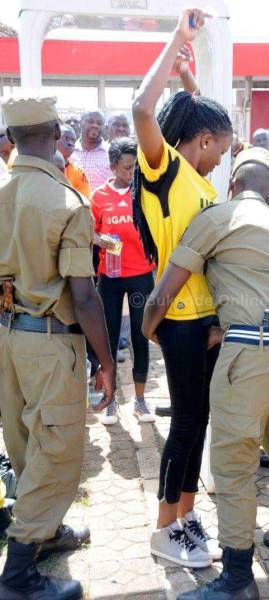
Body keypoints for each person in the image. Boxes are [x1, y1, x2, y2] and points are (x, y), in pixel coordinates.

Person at [142, 147, 269, 599]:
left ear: (233, 183)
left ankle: (237, 578)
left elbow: (167, 290)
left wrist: (148, 328)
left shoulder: (218, 218)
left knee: (234, 461)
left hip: (254, 355)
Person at [0, 93, 116, 600]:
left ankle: (43, 534)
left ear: (13, 138)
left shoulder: (3, 186)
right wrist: (106, 362)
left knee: (24, 440)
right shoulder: (66, 201)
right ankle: (18, 575)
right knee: (58, 449)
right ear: (53, 135)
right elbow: (84, 296)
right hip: (48, 341)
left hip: (6, 334)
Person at [133, 8, 233, 568]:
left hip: (204, 319)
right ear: (201, 141)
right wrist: (178, 40)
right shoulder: (163, 170)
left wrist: (191, 78)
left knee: (197, 421)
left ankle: (186, 516)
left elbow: (190, 114)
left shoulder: (194, 176)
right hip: (180, 318)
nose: (225, 154)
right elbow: (143, 109)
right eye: (221, 144)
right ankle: (162, 528)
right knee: (187, 422)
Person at [91, 137, 156, 425]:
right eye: (127, 168)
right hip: (110, 277)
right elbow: (89, 234)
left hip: (141, 275)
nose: (132, 173)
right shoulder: (99, 196)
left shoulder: (144, 193)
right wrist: (99, 240)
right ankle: (110, 400)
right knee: (109, 339)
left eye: (135, 167)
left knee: (141, 337)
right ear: (113, 166)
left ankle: (141, 402)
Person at [70, 110, 112, 191]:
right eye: (90, 121)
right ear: (80, 123)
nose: (95, 125)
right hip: (75, 202)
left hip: (102, 203)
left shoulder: (112, 153)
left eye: (99, 123)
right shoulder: (69, 151)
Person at [57, 125, 92, 198]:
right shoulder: (41, 166)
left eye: (73, 140)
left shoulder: (78, 172)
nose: (70, 143)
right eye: (65, 138)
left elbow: (85, 200)